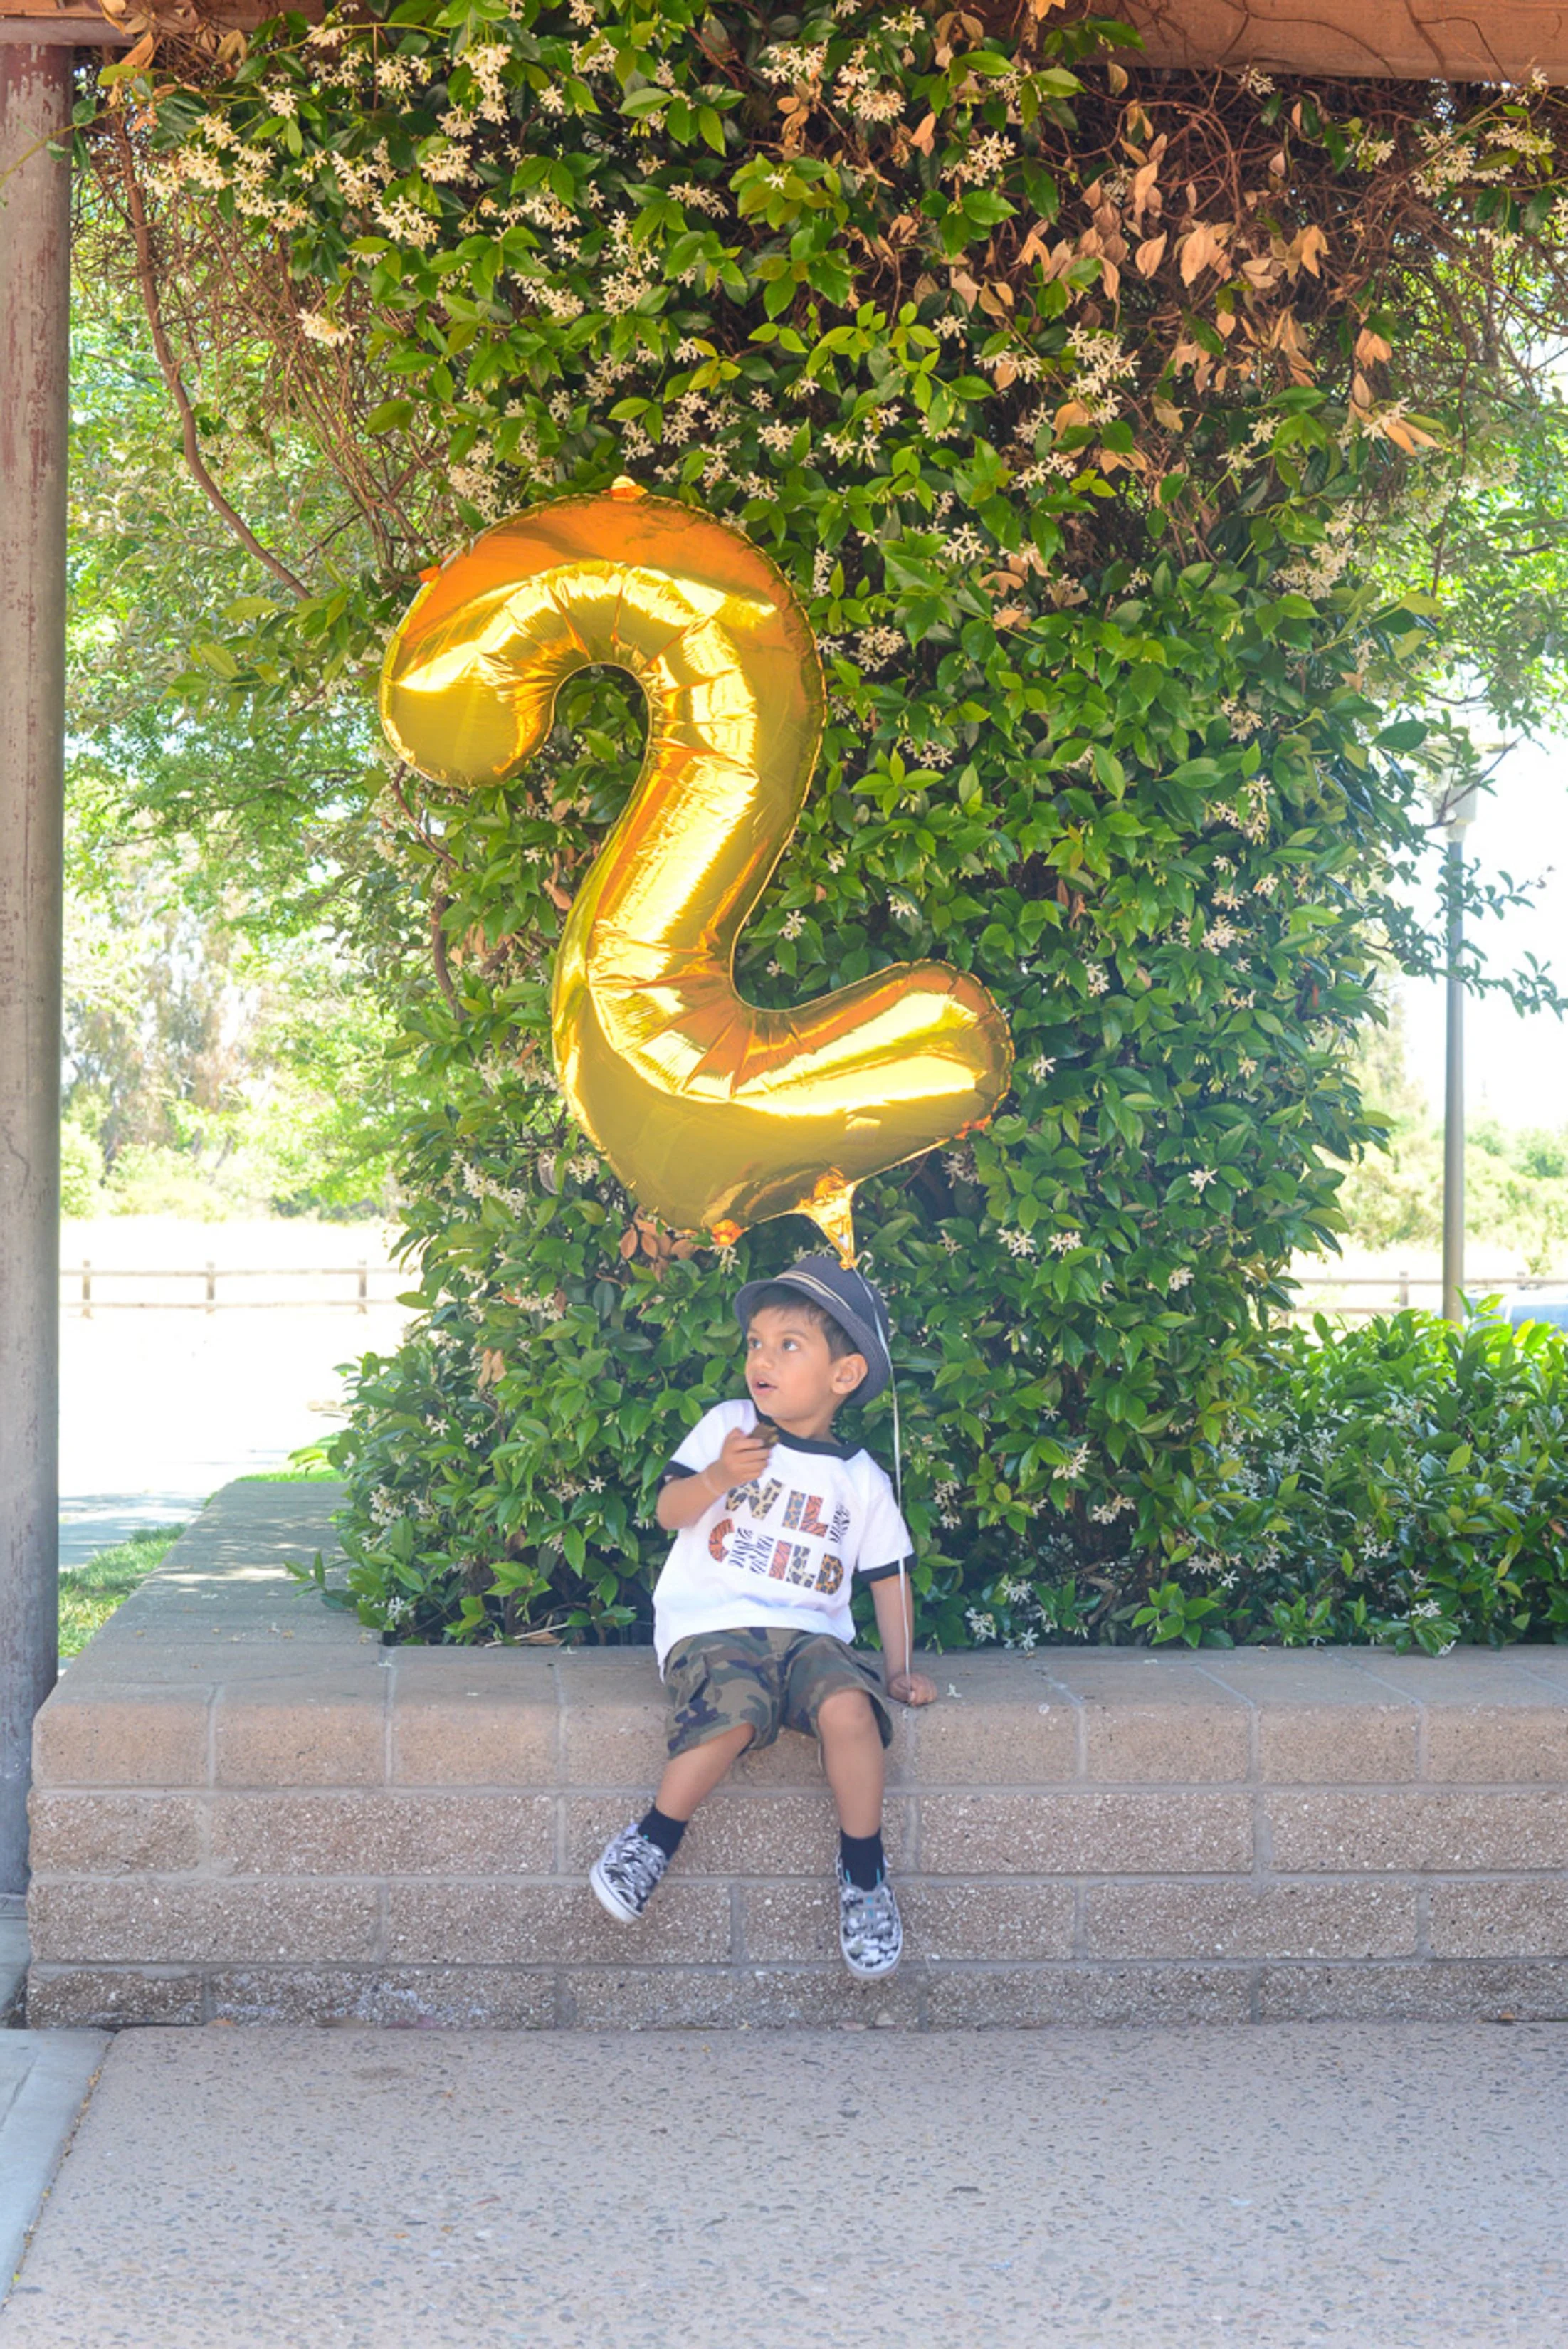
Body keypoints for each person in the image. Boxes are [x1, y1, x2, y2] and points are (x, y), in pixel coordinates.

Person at [589, 1254, 937, 1979]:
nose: (761, 1359)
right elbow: (668, 1511)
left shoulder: (859, 1478)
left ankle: (865, 1877)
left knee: (849, 1706)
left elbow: (886, 1578)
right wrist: (718, 1476)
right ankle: (653, 1839)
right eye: (754, 1342)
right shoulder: (731, 1426)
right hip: (712, 1627)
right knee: (736, 1706)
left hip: (812, 1639)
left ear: (843, 1376)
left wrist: (898, 1670)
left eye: (788, 1345)